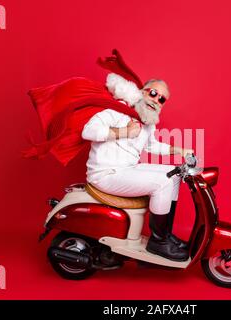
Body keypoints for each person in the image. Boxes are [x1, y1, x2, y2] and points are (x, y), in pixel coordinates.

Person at [81, 73, 194, 262]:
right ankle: (158, 243)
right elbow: (88, 131)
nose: (156, 100)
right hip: (106, 174)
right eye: (153, 93)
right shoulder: (118, 109)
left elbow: (151, 145)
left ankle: (164, 234)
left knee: (174, 175)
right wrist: (126, 131)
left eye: (162, 99)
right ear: (142, 91)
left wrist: (179, 150)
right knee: (162, 182)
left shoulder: (147, 121)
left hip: (126, 170)